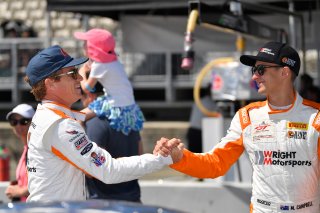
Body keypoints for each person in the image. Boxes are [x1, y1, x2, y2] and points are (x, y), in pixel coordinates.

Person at [154, 41, 320, 212]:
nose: (254, 76)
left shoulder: (316, 118)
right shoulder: (247, 116)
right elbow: (216, 163)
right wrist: (180, 158)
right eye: (253, 70)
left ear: (285, 72)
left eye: (260, 70)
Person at [23, 45, 179, 202]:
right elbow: (108, 171)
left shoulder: (47, 116)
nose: (80, 78)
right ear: (50, 84)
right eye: (72, 73)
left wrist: (113, 100)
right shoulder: (61, 126)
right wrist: (163, 159)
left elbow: (80, 116)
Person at [73, 28, 144, 136]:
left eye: (85, 44)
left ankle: (83, 138)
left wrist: (82, 71)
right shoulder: (114, 61)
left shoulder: (99, 65)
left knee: (79, 116)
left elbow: (87, 88)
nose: (83, 46)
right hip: (129, 104)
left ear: (92, 48)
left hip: (115, 104)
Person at [81, 79, 142, 202]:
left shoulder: (95, 123)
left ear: (90, 96)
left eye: (81, 97)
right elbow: (140, 155)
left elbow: (94, 168)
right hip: (133, 199)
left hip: (104, 203)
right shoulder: (130, 120)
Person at [5, 103, 35, 202]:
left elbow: (44, 182)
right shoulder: (27, 148)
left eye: (24, 121)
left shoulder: (36, 149)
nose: (18, 125)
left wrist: (20, 191)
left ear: (33, 122)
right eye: (14, 122)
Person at [186, 83, 218, 153]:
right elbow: (220, 116)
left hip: (192, 131)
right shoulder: (212, 103)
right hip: (199, 133)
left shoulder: (200, 101)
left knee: (192, 157)